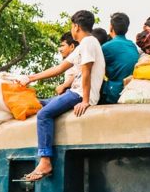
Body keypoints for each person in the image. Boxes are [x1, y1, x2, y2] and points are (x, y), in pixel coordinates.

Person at [16, 10, 104, 181]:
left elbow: (87, 73)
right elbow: (59, 69)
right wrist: (30, 78)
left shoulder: (88, 43)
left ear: (76, 27)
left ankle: (45, 161)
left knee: (44, 114)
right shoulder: (85, 45)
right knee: (38, 103)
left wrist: (86, 101)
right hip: (76, 92)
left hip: (79, 94)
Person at [99, 12, 138, 104]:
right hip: (132, 89)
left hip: (115, 92)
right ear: (127, 29)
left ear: (111, 28)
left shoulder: (106, 47)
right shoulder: (132, 45)